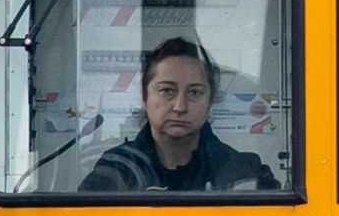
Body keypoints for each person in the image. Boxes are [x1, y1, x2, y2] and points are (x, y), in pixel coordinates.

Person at [80, 38, 281, 193]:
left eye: (194, 92)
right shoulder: (118, 169)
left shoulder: (243, 171)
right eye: (167, 90)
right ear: (144, 98)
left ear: (210, 101)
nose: (180, 106)